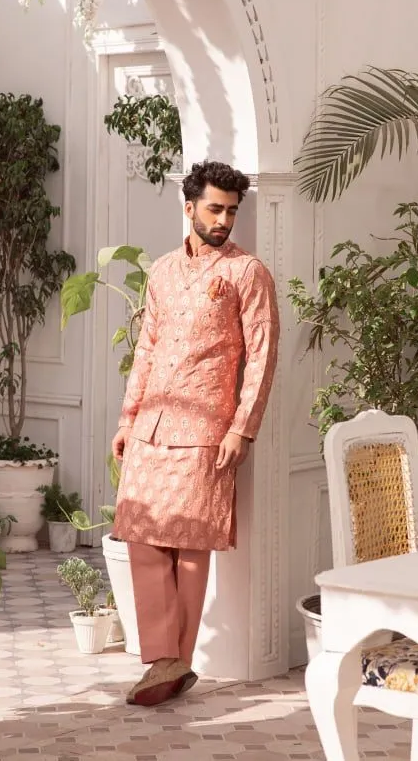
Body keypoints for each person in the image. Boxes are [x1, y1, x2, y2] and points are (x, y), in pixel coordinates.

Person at [111, 160, 280, 707]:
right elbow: (147, 350)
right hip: (151, 428)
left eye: (232, 210)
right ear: (189, 208)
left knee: (189, 546)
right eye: (215, 208)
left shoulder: (246, 273)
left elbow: (262, 355)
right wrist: (127, 417)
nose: (224, 219)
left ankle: (169, 663)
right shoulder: (161, 271)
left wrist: (242, 429)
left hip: (207, 431)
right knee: (141, 535)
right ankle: (168, 659)